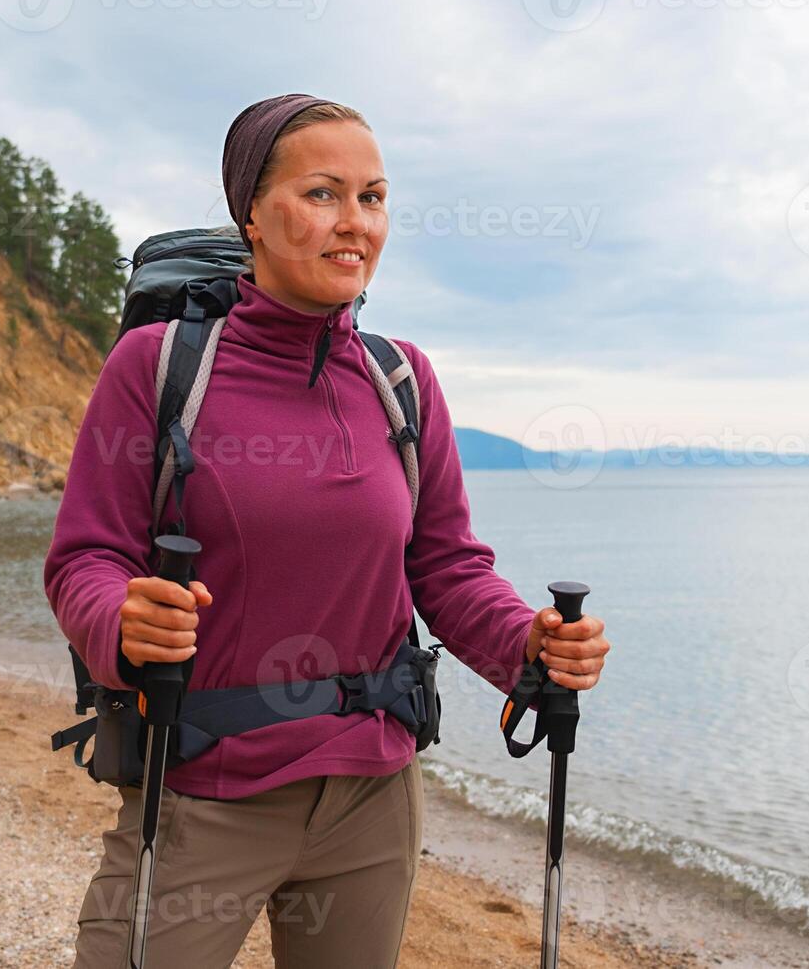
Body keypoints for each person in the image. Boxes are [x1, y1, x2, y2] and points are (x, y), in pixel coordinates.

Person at [43, 93, 611, 969]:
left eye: (373, 198)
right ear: (252, 217)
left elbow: (448, 566)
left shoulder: (401, 379)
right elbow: (85, 555)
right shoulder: (159, 367)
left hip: (371, 801)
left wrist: (527, 643)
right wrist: (121, 618)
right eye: (322, 194)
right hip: (201, 790)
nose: (355, 224)